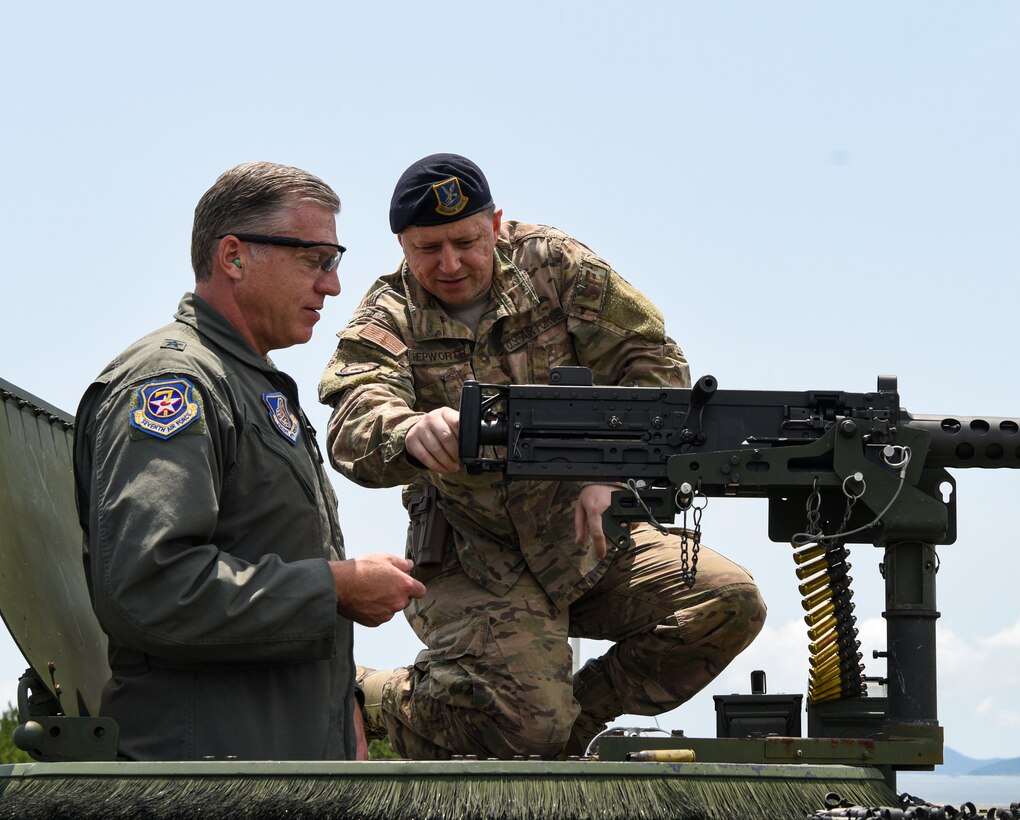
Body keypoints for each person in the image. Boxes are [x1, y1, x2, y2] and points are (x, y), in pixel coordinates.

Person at [317, 153, 766, 760]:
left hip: (589, 536)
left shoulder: (555, 267)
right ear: (401, 244)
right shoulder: (387, 313)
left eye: (465, 242)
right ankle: (375, 697)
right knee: (527, 727)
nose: (450, 264)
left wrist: (613, 469)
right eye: (429, 249)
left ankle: (571, 724)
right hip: (473, 554)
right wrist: (408, 430)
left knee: (728, 602)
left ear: (495, 224)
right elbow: (352, 419)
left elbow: (654, 363)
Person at [73, 161, 425, 761]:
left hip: (267, 769)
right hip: (201, 780)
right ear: (234, 257)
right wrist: (334, 588)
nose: (334, 285)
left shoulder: (248, 385)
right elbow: (151, 588)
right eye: (316, 259)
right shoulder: (175, 383)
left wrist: (344, 719)